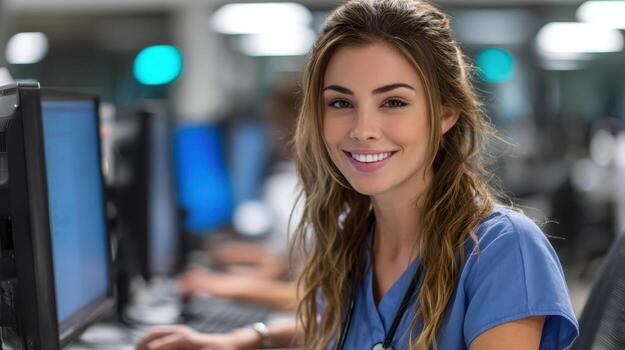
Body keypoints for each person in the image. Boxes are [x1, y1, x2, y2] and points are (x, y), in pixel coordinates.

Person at [137, 0, 579, 349]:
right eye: (341, 103)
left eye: (394, 102)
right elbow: (341, 330)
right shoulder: (355, 234)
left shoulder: (504, 249)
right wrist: (243, 339)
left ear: (445, 114)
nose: (362, 130)